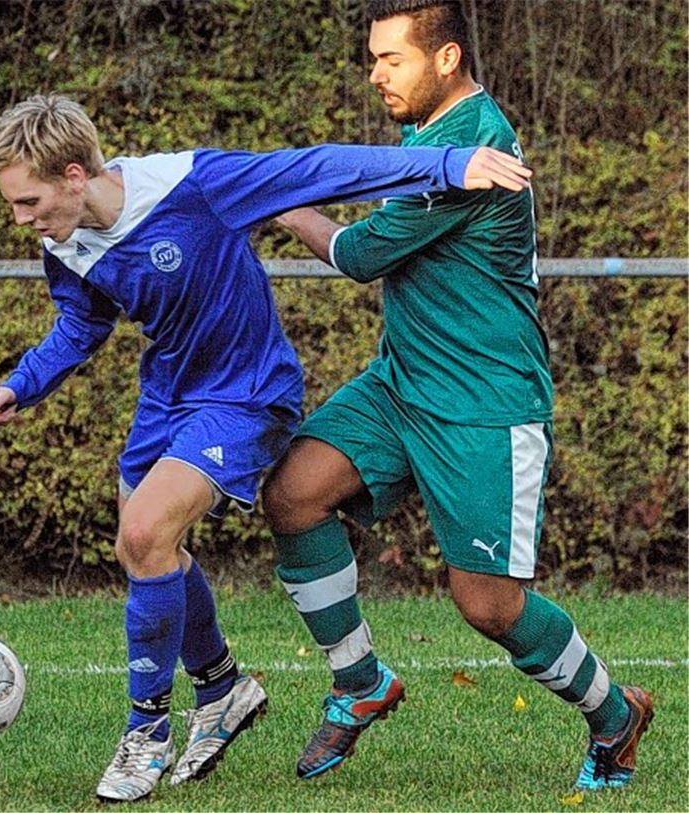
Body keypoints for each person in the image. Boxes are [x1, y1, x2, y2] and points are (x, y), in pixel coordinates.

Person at [0, 93, 530, 802]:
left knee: (146, 531)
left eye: (28, 201)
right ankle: (222, 687)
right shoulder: (65, 243)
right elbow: (83, 325)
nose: (22, 219)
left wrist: (447, 162)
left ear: (76, 174)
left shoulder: (193, 186)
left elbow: (318, 170)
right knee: (144, 547)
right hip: (167, 396)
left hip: (246, 392)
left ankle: (146, 731)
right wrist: (23, 385)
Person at [262, 0, 653, 791]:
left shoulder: (473, 142)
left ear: (446, 59)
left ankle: (616, 714)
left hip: (484, 404)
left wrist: (274, 198)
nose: (375, 74)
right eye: (371, 58)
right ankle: (359, 682)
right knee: (293, 494)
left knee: (490, 607)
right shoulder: (426, 136)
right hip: (401, 383)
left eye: (391, 60)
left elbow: (360, 252)